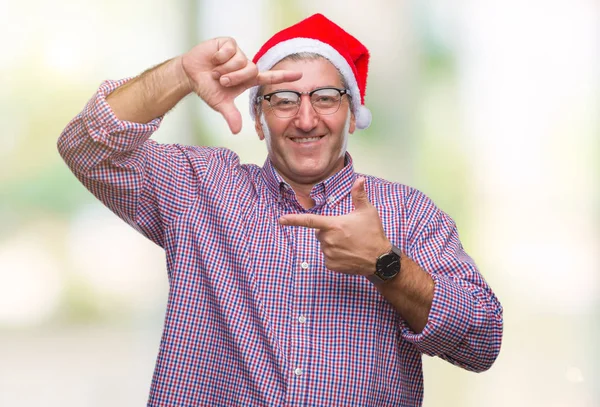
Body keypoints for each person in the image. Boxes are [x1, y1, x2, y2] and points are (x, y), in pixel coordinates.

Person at [58, 13, 503, 407]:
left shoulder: (410, 214)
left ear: (351, 115)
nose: (306, 119)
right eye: (284, 100)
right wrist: (180, 73)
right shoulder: (200, 189)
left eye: (325, 98)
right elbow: (86, 147)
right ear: (257, 119)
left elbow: (481, 343)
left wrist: (385, 264)